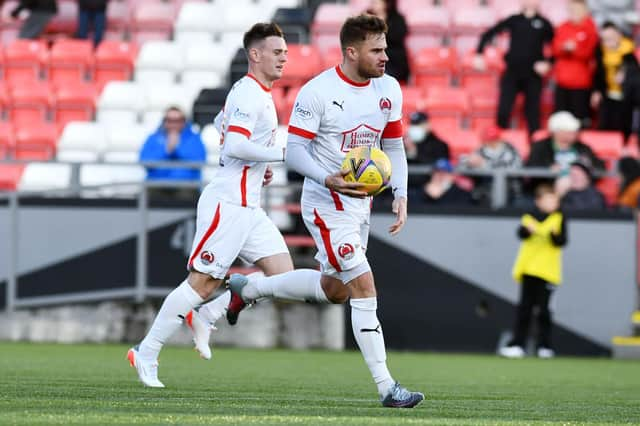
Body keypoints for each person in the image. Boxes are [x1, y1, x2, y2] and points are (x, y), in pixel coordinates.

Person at [219, 14, 424, 408]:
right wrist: (327, 178)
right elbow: (295, 151)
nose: (385, 56)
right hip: (326, 204)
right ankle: (387, 387)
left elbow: (394, 144)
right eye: (376, 49)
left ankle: (250, 288)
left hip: (360, 203)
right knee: (364, 285)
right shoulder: (317, 92)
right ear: (351, 51)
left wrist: (400, 190)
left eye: (385, 48)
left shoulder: (389, 89)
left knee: (336, 291)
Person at [127, 23, 291, 388]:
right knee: (201, 282)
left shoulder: (253, 92)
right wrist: (279, 154)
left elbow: (222, 125)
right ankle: (147, 350)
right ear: (255, 54)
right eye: (277, 51)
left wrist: (259, 165)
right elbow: (234, 145)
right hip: (229, 203)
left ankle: (209, 314)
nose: (284, 57)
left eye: (285, 52)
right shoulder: (250, 93)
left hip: (250, 204)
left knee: (282, 276)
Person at [500, 183, 567, 359]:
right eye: (548, 200)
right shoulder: (529, 218)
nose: (553, 204)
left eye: (555, 201)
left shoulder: (559, 219)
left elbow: (562, 241)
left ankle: (544, 346)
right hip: (529, 269)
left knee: (544, 311)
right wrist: (527, 231)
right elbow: (521, 234)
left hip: (548, 272)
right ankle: (518, 345)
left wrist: (554, 235)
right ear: (538, 201)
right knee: (525, 309)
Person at [474, 0, 554, 134]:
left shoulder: (544, 23)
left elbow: (556, 46)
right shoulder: (514, 20)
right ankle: (498, 145)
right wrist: (479, 54)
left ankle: (535, 148)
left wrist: (549, 62)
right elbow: (488, 34)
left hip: (533, 74)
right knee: (503, 111)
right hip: (512, 72)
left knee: (533, 115)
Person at [139, 106, 206, 200]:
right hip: (157, 185)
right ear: (164, 121)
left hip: (186, 186)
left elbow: (199, 160)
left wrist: (177, 149)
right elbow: (144, 160)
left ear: (184, 121)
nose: (173, 124)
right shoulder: (153, 138)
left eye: (178, 120)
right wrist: (166, 151)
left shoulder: (194, 139)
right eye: (169, 120)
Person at [552, 0, 599, 126]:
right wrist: (564, 48)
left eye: (577, 10)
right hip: (562, 81)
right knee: (560, 118)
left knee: (579, 120)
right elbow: (555, 49)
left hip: (581, 83)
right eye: (571, 10)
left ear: (585, 11)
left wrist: (575, 49)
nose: (574, 13)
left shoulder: (591, 28)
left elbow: (590, 53)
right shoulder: (562, 27)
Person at [591, 21, 636, 133]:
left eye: (610, 38)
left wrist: (625, 74)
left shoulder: (630, 50)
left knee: (622, 125)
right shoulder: (600, 51)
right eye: (605, 39)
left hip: (626, 96)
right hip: (607, 94)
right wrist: (596, 91)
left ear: (619, 35)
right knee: (605, 124)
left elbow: (634, 71)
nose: (608, 42)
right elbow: (598, 73)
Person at [526, 111, 605, 173]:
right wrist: (548, 169)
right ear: (557, 132)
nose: (575, 133)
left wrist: (587, 168)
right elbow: (531, 168)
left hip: (579, 187)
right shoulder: (541, 147)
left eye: (575, 131)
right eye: (569, 131)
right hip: (547, 186)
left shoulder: (583, 147)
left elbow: (600, 167)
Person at [462, 125, 522, 204]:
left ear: (499, 138)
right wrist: (469, 163)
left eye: (494, 139)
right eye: (489, 139)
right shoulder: (481, 150)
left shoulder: (510, 150)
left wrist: (484, 164)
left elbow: (514, 168)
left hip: (509, 187)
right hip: (484, 187)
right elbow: (464, 166)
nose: (491, 142)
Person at [367, 0, 409, 84]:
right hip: (372, 61)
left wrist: (382, 23)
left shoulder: (397, 19)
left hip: (393, 61)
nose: (373, 5)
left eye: (377, 2)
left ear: (386, 3)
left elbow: (397, 37)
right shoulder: (367, 18)